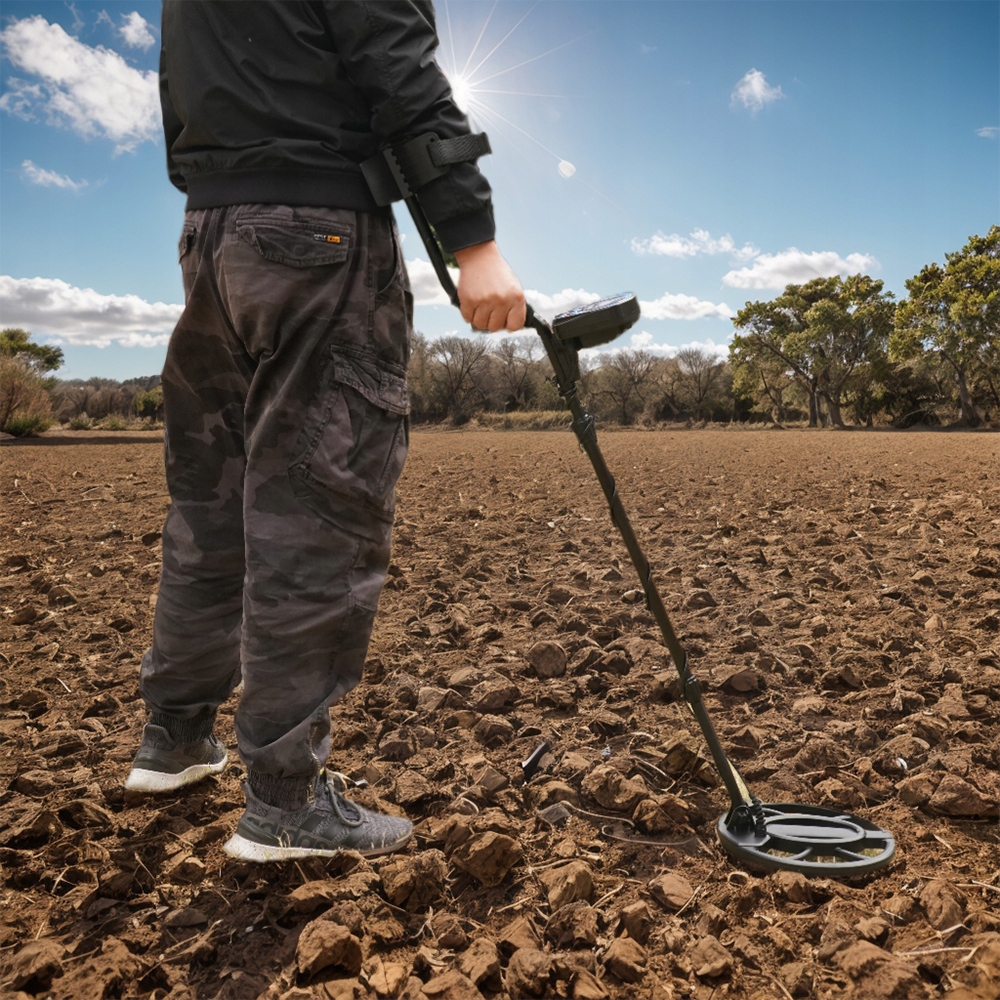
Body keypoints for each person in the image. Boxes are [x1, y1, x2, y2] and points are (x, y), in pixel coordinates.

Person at [126, 0, 526, 862]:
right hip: (319, 228)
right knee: (318, 511)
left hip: (210, 232)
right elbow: (400, 68)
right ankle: (284, 801)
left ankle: (175, 736)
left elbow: (177, 92)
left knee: (211, 503)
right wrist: (474, 242)